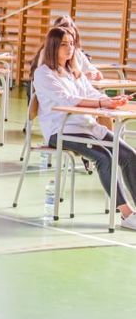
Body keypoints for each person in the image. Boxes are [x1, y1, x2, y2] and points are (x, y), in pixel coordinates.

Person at [33, 26, 136, 231]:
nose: (69, 48)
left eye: (71, 43)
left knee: (129, 155)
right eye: (64, 44)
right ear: (53, 46)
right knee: (104, 157)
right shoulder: (43, 73)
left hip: (87, 127)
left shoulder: (74, 72)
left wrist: (110, 100)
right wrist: (100, 105)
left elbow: (90, 92)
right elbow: (66, 100)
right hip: (61, 131)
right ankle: (126, 214)